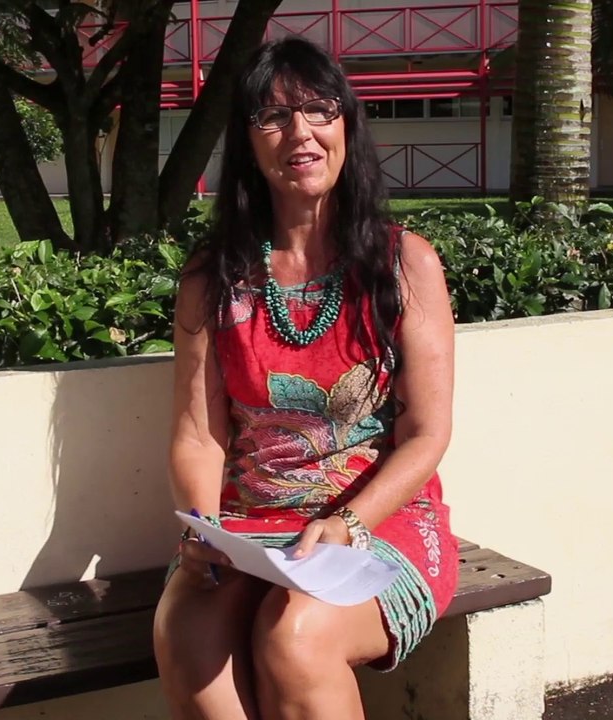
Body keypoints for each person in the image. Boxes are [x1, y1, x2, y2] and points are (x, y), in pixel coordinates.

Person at [152, 35, 460, 720]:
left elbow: (426, 431)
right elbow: (199, 436)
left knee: (292, 638)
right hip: (248, 525)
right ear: (248, 141)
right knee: (187, 633)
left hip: (379, 522)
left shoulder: (403, 264)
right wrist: (204, 526)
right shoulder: (212, 278)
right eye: (274, 116)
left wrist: (350, 520)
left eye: (320, 110)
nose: (302, 132)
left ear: (346, 124)